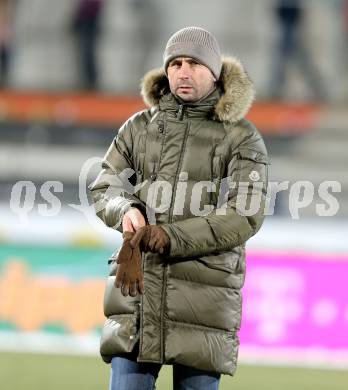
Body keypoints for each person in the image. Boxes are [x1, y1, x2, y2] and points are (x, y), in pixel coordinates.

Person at [89, 26, 269, 390]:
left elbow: (245, 214)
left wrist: (168, 237)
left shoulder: (241, 136)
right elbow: (104, 184)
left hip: (204, 298)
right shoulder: (138, 128)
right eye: (175, 63)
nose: (183, 72)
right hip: (138, 293)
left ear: (215, 72)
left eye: (194, 64)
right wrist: (124, 208)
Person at [269, 0, 325, 101]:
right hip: (287, 16)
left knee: (290, 54)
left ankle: (276, 87)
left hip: (291, 15)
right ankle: (318, 88)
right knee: (291, 54)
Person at [72, 0, 104, 90]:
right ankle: (89, 80)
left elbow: (89, 5)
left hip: (89, 20)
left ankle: (90, 81)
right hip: (88, 20)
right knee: (86, 53)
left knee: (87, 52)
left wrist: (77, 18)